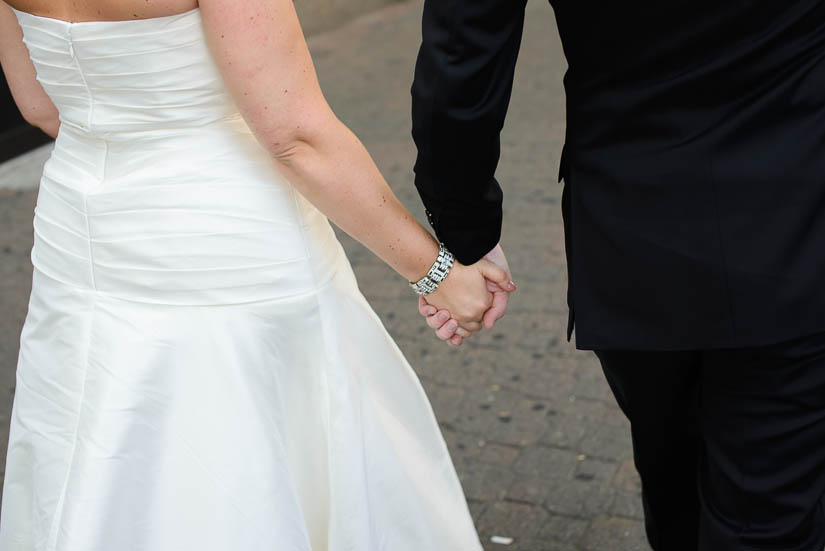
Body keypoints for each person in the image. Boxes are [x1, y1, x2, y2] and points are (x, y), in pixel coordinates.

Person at [0, 0, 517, 548]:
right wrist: (437, 273)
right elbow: (297, 138)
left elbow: (40, 107)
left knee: (100, 439)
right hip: (226, 236)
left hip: (85, 235)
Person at [412, 1, 825, 549]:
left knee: (671, 466)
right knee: (770, 493)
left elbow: (463, 55)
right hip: (794, 212)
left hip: (632, 226)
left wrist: (466, 236)